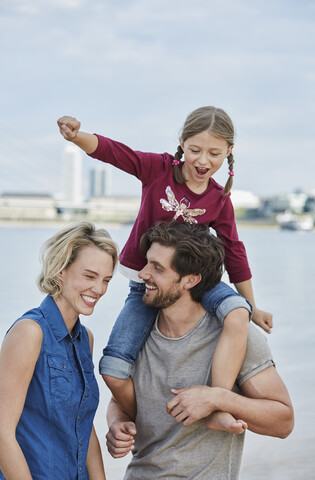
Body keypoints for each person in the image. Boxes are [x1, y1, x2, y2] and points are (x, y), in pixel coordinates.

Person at [57, 107, 271, 423]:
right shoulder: (159, 170)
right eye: (195, 150)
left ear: (228, 151)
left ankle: (216, 403)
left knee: (239, 313)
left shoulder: (219, 199)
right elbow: (117, 153)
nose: (203, 161)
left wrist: (253, 304)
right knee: (113, 367)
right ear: (182, 143)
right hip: (147, 284)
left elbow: (235, 252)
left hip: (197, 285)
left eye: (214, 153)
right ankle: (137, 422)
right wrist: (77, 137)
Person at [106, 222, 294, 480]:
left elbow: (283, 422)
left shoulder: (235, 337)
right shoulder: (135, 336)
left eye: (157, 268)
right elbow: (120, 401)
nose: (143, 274)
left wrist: (217, 399)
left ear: (191, 279)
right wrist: (117, 424)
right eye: (147, 263)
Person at [0, 222, 118, 480]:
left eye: (106, 280)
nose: (98, 289)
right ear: (60, 271)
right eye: (89, 276)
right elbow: (2, 433)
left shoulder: (86, 339)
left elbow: (83, 428)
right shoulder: (29, 333)